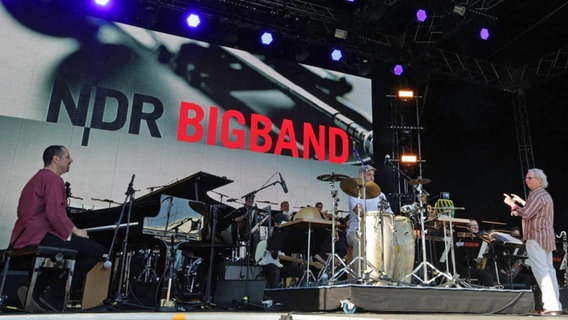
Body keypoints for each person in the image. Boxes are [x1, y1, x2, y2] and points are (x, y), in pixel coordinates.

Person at [9, 145, 104, 311]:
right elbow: (55, 213)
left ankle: (35, 293)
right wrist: (75, 231)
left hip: (24, 236)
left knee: (63, 251)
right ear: (56, 159)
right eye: (68, 157)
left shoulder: (36, 178)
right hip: (38, 236)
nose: (71, 160)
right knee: (93, 249)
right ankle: (53, 298)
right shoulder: (53, 179)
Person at [504, 168, 562, 315]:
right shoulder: (543, 195)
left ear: (538, 180)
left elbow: (527, 213)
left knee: (542, 272)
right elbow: (534, 210)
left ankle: (551, 306)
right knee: (549, 271)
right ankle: (555, 305)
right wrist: (522, 202)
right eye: (526, 178)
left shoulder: (537, 195)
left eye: (530, 178)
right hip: (545, 237)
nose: (526, 180)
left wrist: (512, 204)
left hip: (536, 238)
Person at [345, 165, 393, 277]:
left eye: (373, 175)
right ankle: (359, 276)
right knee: (360, 239)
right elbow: (359, 211)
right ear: (361, 175)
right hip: (356, 231)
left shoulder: (381, 195)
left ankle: (387, 275)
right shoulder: (354, 193)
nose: (372, 177)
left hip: (377, 232)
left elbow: (390, 214)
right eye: (369, 174)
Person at [454, 219, 494, 286]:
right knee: (486, 275)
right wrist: (473, 260)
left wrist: (488, 248)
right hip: (467, 267)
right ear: (468, 228)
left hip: (478, 266)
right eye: (473, 226)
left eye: (477, 225)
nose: (476, 227)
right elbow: (460, 256)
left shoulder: (481, 239)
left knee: (491, 271)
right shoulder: (462, 240)